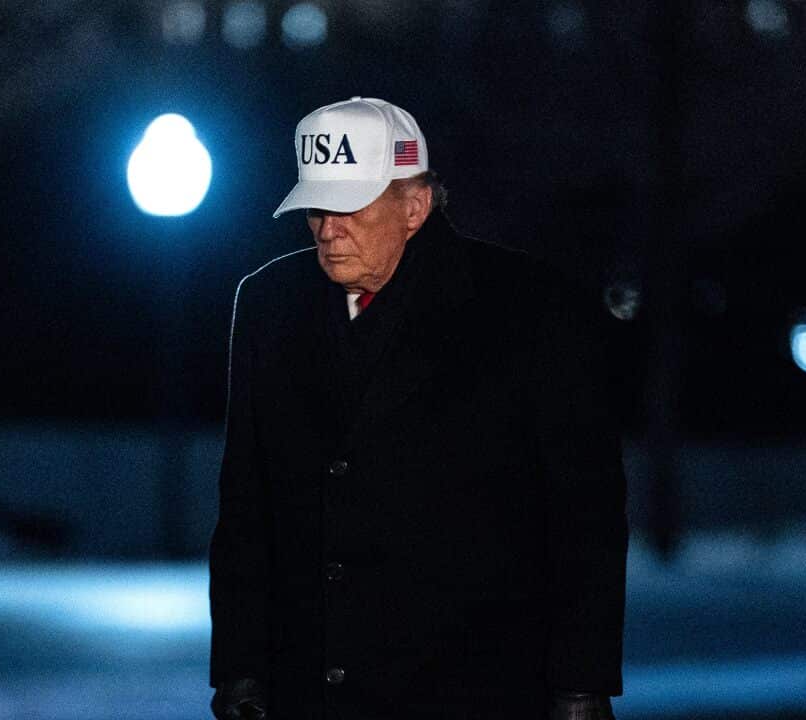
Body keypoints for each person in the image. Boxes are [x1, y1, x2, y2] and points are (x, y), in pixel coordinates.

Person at [208, 97, 628, 720]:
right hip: (311, 694)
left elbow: (584, 515)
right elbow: (247, 504)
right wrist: (241, 667)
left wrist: (580, 688)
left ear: (415, 205)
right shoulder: (270, 303)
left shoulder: (532, 311)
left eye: (349, 205)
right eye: (315, 208)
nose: (327, 228)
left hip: (474, 691)